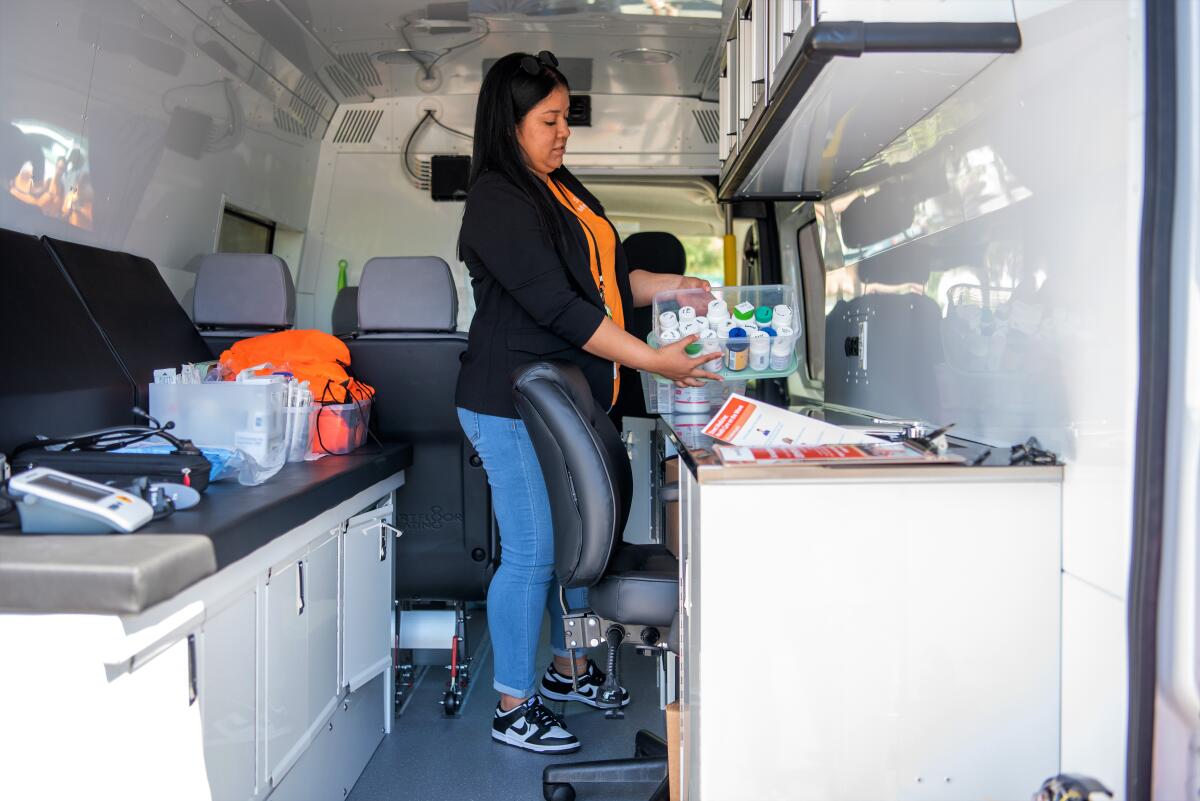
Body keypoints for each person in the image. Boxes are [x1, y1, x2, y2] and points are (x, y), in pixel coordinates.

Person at [456, 50, 719, 754]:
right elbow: (562, 309)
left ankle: (568, 671)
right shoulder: (497, 199)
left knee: (569, 544)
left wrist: (672, 287)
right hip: (508, 400)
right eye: (549, 120)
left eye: (565, 117)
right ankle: (513, 704)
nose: (563, 131)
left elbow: (605, 282)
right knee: (535, 548)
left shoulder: (558, 186)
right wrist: (654, 360)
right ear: (509, 125)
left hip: (557, 403)